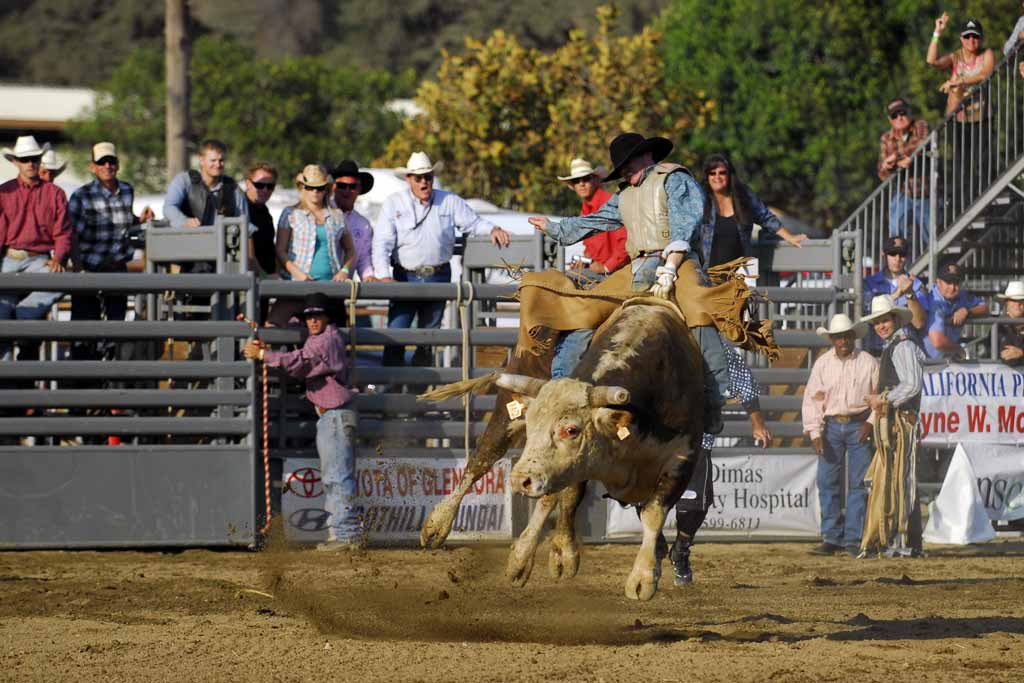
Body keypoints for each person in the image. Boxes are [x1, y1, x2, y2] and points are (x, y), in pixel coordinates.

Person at [529, 132, 735, 433]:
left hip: (679, 259)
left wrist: (670, 266)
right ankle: (563, 383)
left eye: (630, 162)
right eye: (622, 166)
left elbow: (686, 223)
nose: (626, 170)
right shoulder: (624, 195)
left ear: (648, 156)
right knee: (585, 308)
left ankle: (714, 395)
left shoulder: (674, 179)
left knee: (699, 309)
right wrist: (555, 228)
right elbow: (595, 221)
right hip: (637, 265)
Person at [244, 293, 362, 550]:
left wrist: (265, 355)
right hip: (336, 414)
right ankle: (346, 534)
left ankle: (347, 536)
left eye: (317, 315)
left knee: (337, 476)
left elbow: (300, 362)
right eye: (308, 316)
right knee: (337, 475)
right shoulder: (327, 337)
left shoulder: (323, 341)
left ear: (326, 316)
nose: (312, 321)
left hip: (334, 415)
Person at [372, 151, 510, 368]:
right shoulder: (394, 203)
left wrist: (493, 229)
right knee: (395, 333)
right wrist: (383, 276)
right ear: (409, 179)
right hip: (404, 277)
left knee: (429, 338)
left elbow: (473, 223)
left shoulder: (449, 201)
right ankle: (393, 386)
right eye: (418, 178)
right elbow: (381, 242)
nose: (424, 181)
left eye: (428, 176)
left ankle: (419, 388)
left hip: (437, 276)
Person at [670, 347, 773, 586]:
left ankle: (682, 549)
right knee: (647, 498)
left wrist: (757, 421)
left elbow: (742, 378)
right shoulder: (656, 336)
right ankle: (653, 545)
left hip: (696, 436)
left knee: (698, 504)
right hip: (655, 437)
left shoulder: (711, 343)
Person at [67, 142, 154, 360]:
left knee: (115, 331)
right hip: (89, 269)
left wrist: (139, 220)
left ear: (117, 165)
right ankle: (82, 383)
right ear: (92, 167)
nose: (107, 166)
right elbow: (71, 235)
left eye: (111, 161)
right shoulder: (81, 196)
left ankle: (108, 382)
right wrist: (78, 269)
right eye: (102, 162)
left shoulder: (127, 191)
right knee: (85, 332)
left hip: (117, 269)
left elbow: (122, 221)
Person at [801, 314, 878, 557]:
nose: (843, 340)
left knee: (858, 484)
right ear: (832, 339)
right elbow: (813, 400)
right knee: (827, 482)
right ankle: (831, 536)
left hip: (858, 424)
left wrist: (871, 423)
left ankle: (853, 538)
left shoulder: (868, 362)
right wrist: (815, 432)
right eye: (838, 337)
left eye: (846, 336)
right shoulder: (823, 364)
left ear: (853, 337)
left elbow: (879, 397)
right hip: (831, 426)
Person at [862, 295, 926, 558]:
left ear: (895, 319)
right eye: (877, 322)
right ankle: (899, 540)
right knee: (896, 478)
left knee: (902, 479)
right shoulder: (896, 345)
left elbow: (912, 384)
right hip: (895, 422)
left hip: (902, 422)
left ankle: (906, 541)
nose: (881, 326)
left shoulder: (902, 346)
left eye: (884, 320)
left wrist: (883, 399)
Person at [0, 135, 73, 361]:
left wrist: (58, 258)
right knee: (2, 319)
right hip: (9, 258)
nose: (30, 163)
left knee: (59, 279)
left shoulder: (55, 194)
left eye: (33, 158)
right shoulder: (4, 193)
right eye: (25, 159)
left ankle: (25, 313)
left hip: (39, 260)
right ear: (16, 162)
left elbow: (63, 232)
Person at [269, 165, 356, 327]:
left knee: (333, 338)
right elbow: (280, 250)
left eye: (320, 188)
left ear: (326, 189)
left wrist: (344, 270)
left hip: (330, 288)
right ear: (302, 188)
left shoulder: (337, 215)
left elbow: (350, 249)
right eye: (310, 188)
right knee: (274, 327)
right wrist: (298, 273)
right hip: (297, 286)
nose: (315, 192)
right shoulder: (290, 213)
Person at [927, 15, 994, 206]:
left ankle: (983, 199)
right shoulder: (955, 57)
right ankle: (961, 203)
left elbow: (985, 73)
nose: (971, 41)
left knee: (982, 161)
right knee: (960, 164)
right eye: (967, 37)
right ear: (961, 39)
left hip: (982, 116)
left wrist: (959, 81)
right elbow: (931, 61)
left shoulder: (985, 54)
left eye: (975, 36)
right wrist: (937, 32)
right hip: (958, 118)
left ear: (980, 38)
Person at [698, 154, 807, 270]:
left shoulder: (744, 196)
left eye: (722, 173)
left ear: (729, 175)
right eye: (712, 173)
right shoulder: (699, 199)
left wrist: (790, 237)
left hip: (738, 275)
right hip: (707, 274)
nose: (717, 177)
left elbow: (765, 217)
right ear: (707, 177)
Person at [557, 158, 627, 284]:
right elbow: (591, 248)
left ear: (595, 180)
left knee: (564, 281)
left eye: (586, 178)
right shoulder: (585, 210)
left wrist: (606, 267)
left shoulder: (610, 202)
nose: (581, 183)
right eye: (576, 181)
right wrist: (586, 261)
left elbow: (625, 242)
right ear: (573, 186)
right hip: (601, 272)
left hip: (618, 272)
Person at [877, 99, 932, 247]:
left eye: (903, 113)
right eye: (895, 115)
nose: (900, 118)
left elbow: (921, 144)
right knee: (895, 232)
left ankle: (934, 266)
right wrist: (890, 166)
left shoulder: (920, 125)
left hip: (926, 191)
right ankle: (900, 263)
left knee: (930, 236)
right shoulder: (886, 138)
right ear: (890, 120)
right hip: (903, 192)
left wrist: (895, 158)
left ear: (909, 112)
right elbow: (881, 172)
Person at [163, 139, 249, 230]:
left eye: (221, 160)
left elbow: (245, 224)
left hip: (220, 242)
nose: (218, 164)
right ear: (201, 160)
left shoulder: (233, 187)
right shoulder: (184, 180)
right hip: (187, 239)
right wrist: (184, 221)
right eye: (213, 160)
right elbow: (169, 207)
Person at [862, 236, 928, 355]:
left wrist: (909, 293)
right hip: (876, 350)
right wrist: (896, 294)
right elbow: (867, 316)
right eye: (893, 254)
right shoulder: (869, 283)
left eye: (902, 255)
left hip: (906, 350)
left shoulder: (916, 284)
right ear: (884, 254)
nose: (897, 259)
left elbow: (919, 323)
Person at [922, 261, 988, 359]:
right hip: (926, 363)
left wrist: (967, 311)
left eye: (956, 282)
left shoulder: (962, 295)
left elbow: (985, 308)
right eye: (948, 282)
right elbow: (938, 342)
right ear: (938, 282)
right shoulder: (934, 302)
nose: (952, 287)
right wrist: (959, 350)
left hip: (944, 361)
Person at [331, 159, 376, 282]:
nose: (346, 191)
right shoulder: (322, 214)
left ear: (359, 189)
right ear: (333, 187)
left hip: (344, 289)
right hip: (318, 283)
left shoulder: (363, 225)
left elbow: (364, 259)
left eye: (352, 186)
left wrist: (368, 276)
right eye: (342, 186)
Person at [996, 281, 1024, 366]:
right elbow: (1006, 356)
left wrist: (1022, 352)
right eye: (1014, 300)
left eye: (1022, 300)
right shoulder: (999, 327)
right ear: (1006, 303)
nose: (1018, 303)